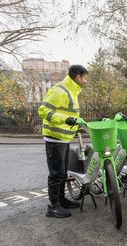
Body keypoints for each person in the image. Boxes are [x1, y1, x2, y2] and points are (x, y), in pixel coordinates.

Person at [38, 65, 88, 218]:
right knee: (56, 173)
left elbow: (67, 112)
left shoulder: (72, 90)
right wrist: (67, 120)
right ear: (78, 77)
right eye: (85, 77)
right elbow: (43, 110)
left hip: (63, 138)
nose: (86, 81)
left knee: (63, 171)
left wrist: (76, 125)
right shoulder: (60, 90)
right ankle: (53, 207)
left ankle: (61, 200)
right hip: (54, 138)